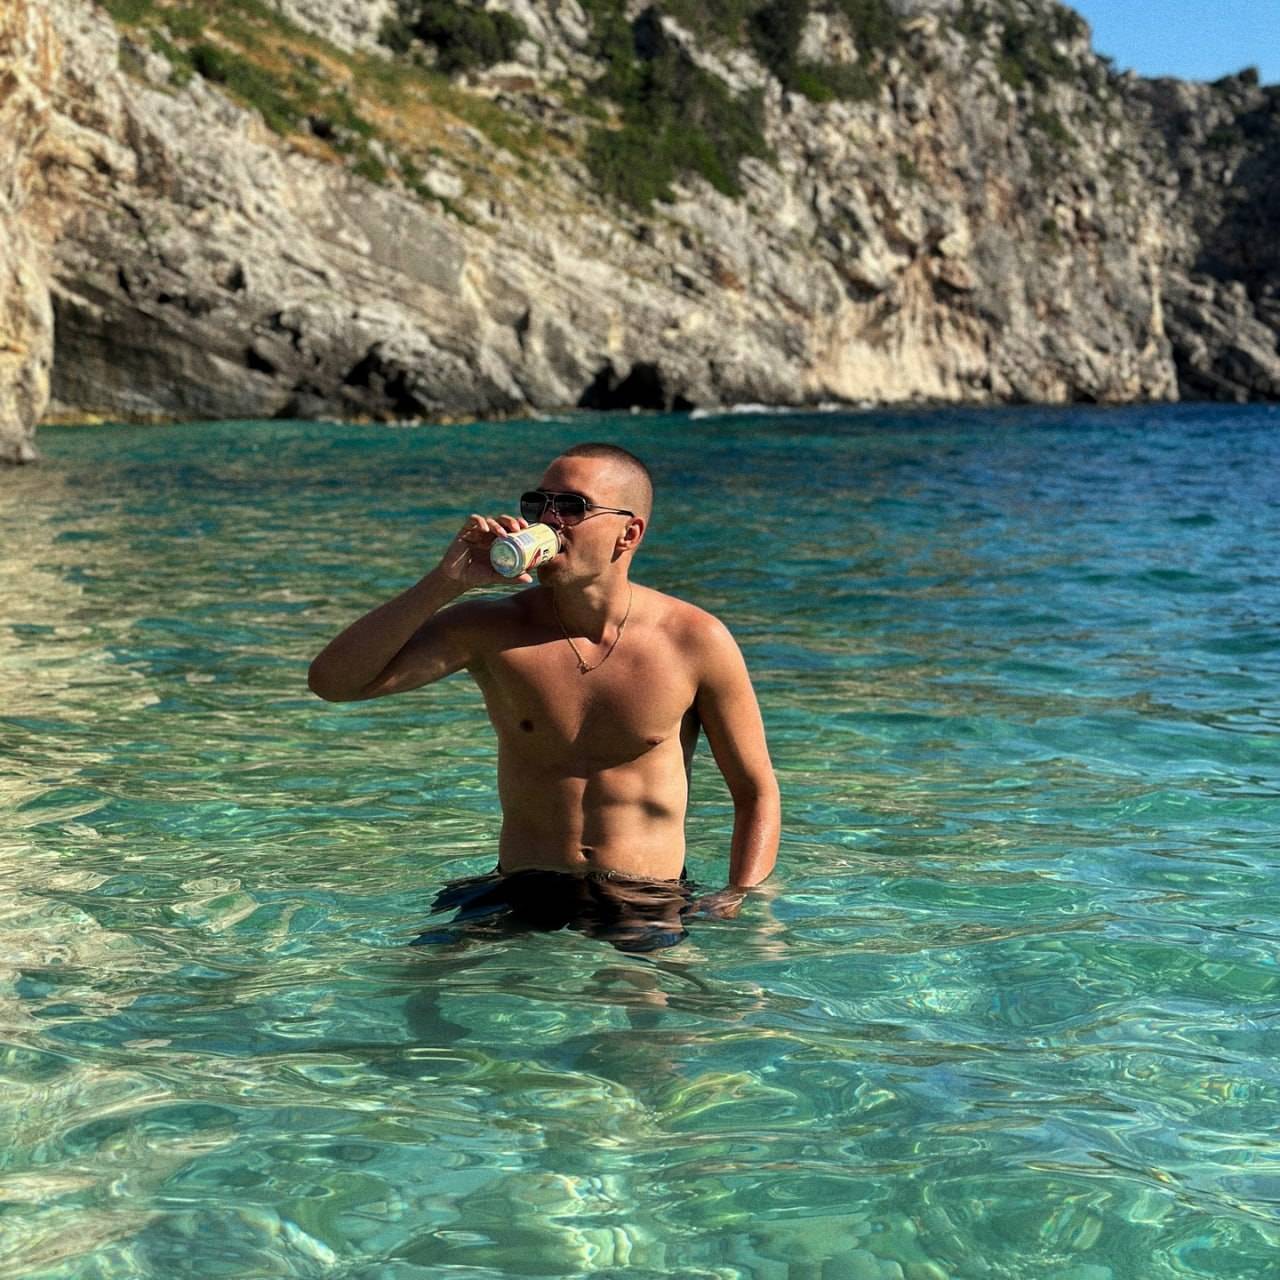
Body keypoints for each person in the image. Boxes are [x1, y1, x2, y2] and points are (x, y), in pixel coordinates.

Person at [307, 442, 780, 947]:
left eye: (572, 507)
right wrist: (445, 583)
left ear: (629, 533)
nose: (550, 521)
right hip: (520, 886)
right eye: (538, 504)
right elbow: (334, 684)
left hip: (646, 895)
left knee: (650, 997)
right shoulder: (491, 630)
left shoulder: (693, 640)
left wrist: (739, 895)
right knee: (415, 981)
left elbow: (755, 791)